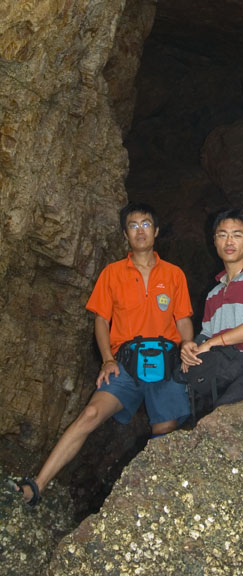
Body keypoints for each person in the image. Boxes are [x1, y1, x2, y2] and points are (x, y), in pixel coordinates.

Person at [12, 201, 194, 505]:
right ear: (125, 234)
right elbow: (101, 320)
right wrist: (108, 359)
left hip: (166, 361)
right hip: (125, 362)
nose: (140, 231)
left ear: (156, 231)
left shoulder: (174, 274)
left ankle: (156, 502)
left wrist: (187, 344)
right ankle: (37, 486)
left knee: (165, 430)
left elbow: (183, 318)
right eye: (133, 226)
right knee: (90, 414)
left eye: (146, 224)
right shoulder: (112, 274)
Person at [181, 209, 243, 407]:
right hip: (220, 370)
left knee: (226, 413)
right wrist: (190, 350)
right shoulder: (214, 293)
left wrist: (211, 344)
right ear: (214, 241)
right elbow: (206, 335)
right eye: (222, 235)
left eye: (237, 235)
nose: (229, 241)